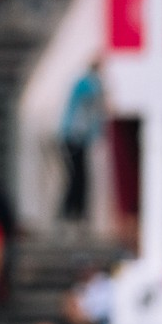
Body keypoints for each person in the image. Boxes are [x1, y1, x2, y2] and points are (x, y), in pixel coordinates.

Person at [59, 56, 107, 225]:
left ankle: (76, 212)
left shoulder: (86, 84)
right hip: (74, 138)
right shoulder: (88, 84)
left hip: (78, 138)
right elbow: (94, 106)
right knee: (77, 177)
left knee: (81, 176)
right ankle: (70, 212)